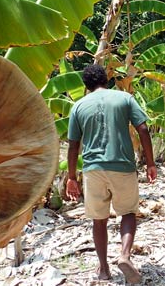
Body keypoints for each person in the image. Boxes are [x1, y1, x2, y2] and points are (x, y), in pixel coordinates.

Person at [66, 64, 157, 283]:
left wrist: (71, 177)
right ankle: (124, 255)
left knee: (99, 220)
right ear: (106, 80)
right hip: (122, 166)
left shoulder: (78, 106)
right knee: (127, 213)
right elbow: (143, 129)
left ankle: (104, 269)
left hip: (93, 170)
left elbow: (72, 144)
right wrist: (150, 163)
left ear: (85, 85)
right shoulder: (124, 98)